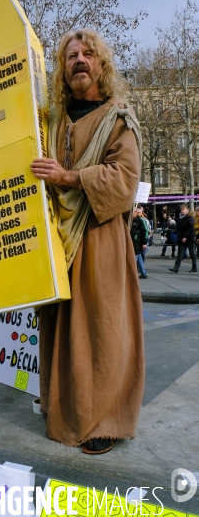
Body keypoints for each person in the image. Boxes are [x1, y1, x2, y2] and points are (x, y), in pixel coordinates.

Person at [31, 28, 144, 454]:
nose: (79, 60)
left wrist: (69, 177)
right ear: (62, 70)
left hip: (100, 238)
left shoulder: (119, 117)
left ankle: (105, 423)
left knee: (101, 332)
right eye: (71, 56)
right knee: (62, 329)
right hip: (58, 240)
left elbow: (124, 181)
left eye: (87, 54)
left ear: (101, 65)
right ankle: (65, 409)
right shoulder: (52, 120)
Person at [169, 204, 197, 273]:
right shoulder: (180, 218)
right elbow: (179, 227)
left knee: (192, 253)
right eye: (181, 209)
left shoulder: (190, 218)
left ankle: (194, 267)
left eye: (183, 209)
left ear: (187, 210)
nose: (182, 211)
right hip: (181, 237)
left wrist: (185, 237)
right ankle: (176, 267)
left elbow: (191, 229)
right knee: (180, 253)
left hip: (190, 237)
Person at [131, 207, 149, 278]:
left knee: (134, 259)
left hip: (138, 243)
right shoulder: (131, 220)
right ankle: (144, 273)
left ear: (135, 212)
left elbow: (145, 231)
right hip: (134, 242)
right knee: (139, 258)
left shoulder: (141, 220)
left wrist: (145, 243)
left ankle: (133, 274)